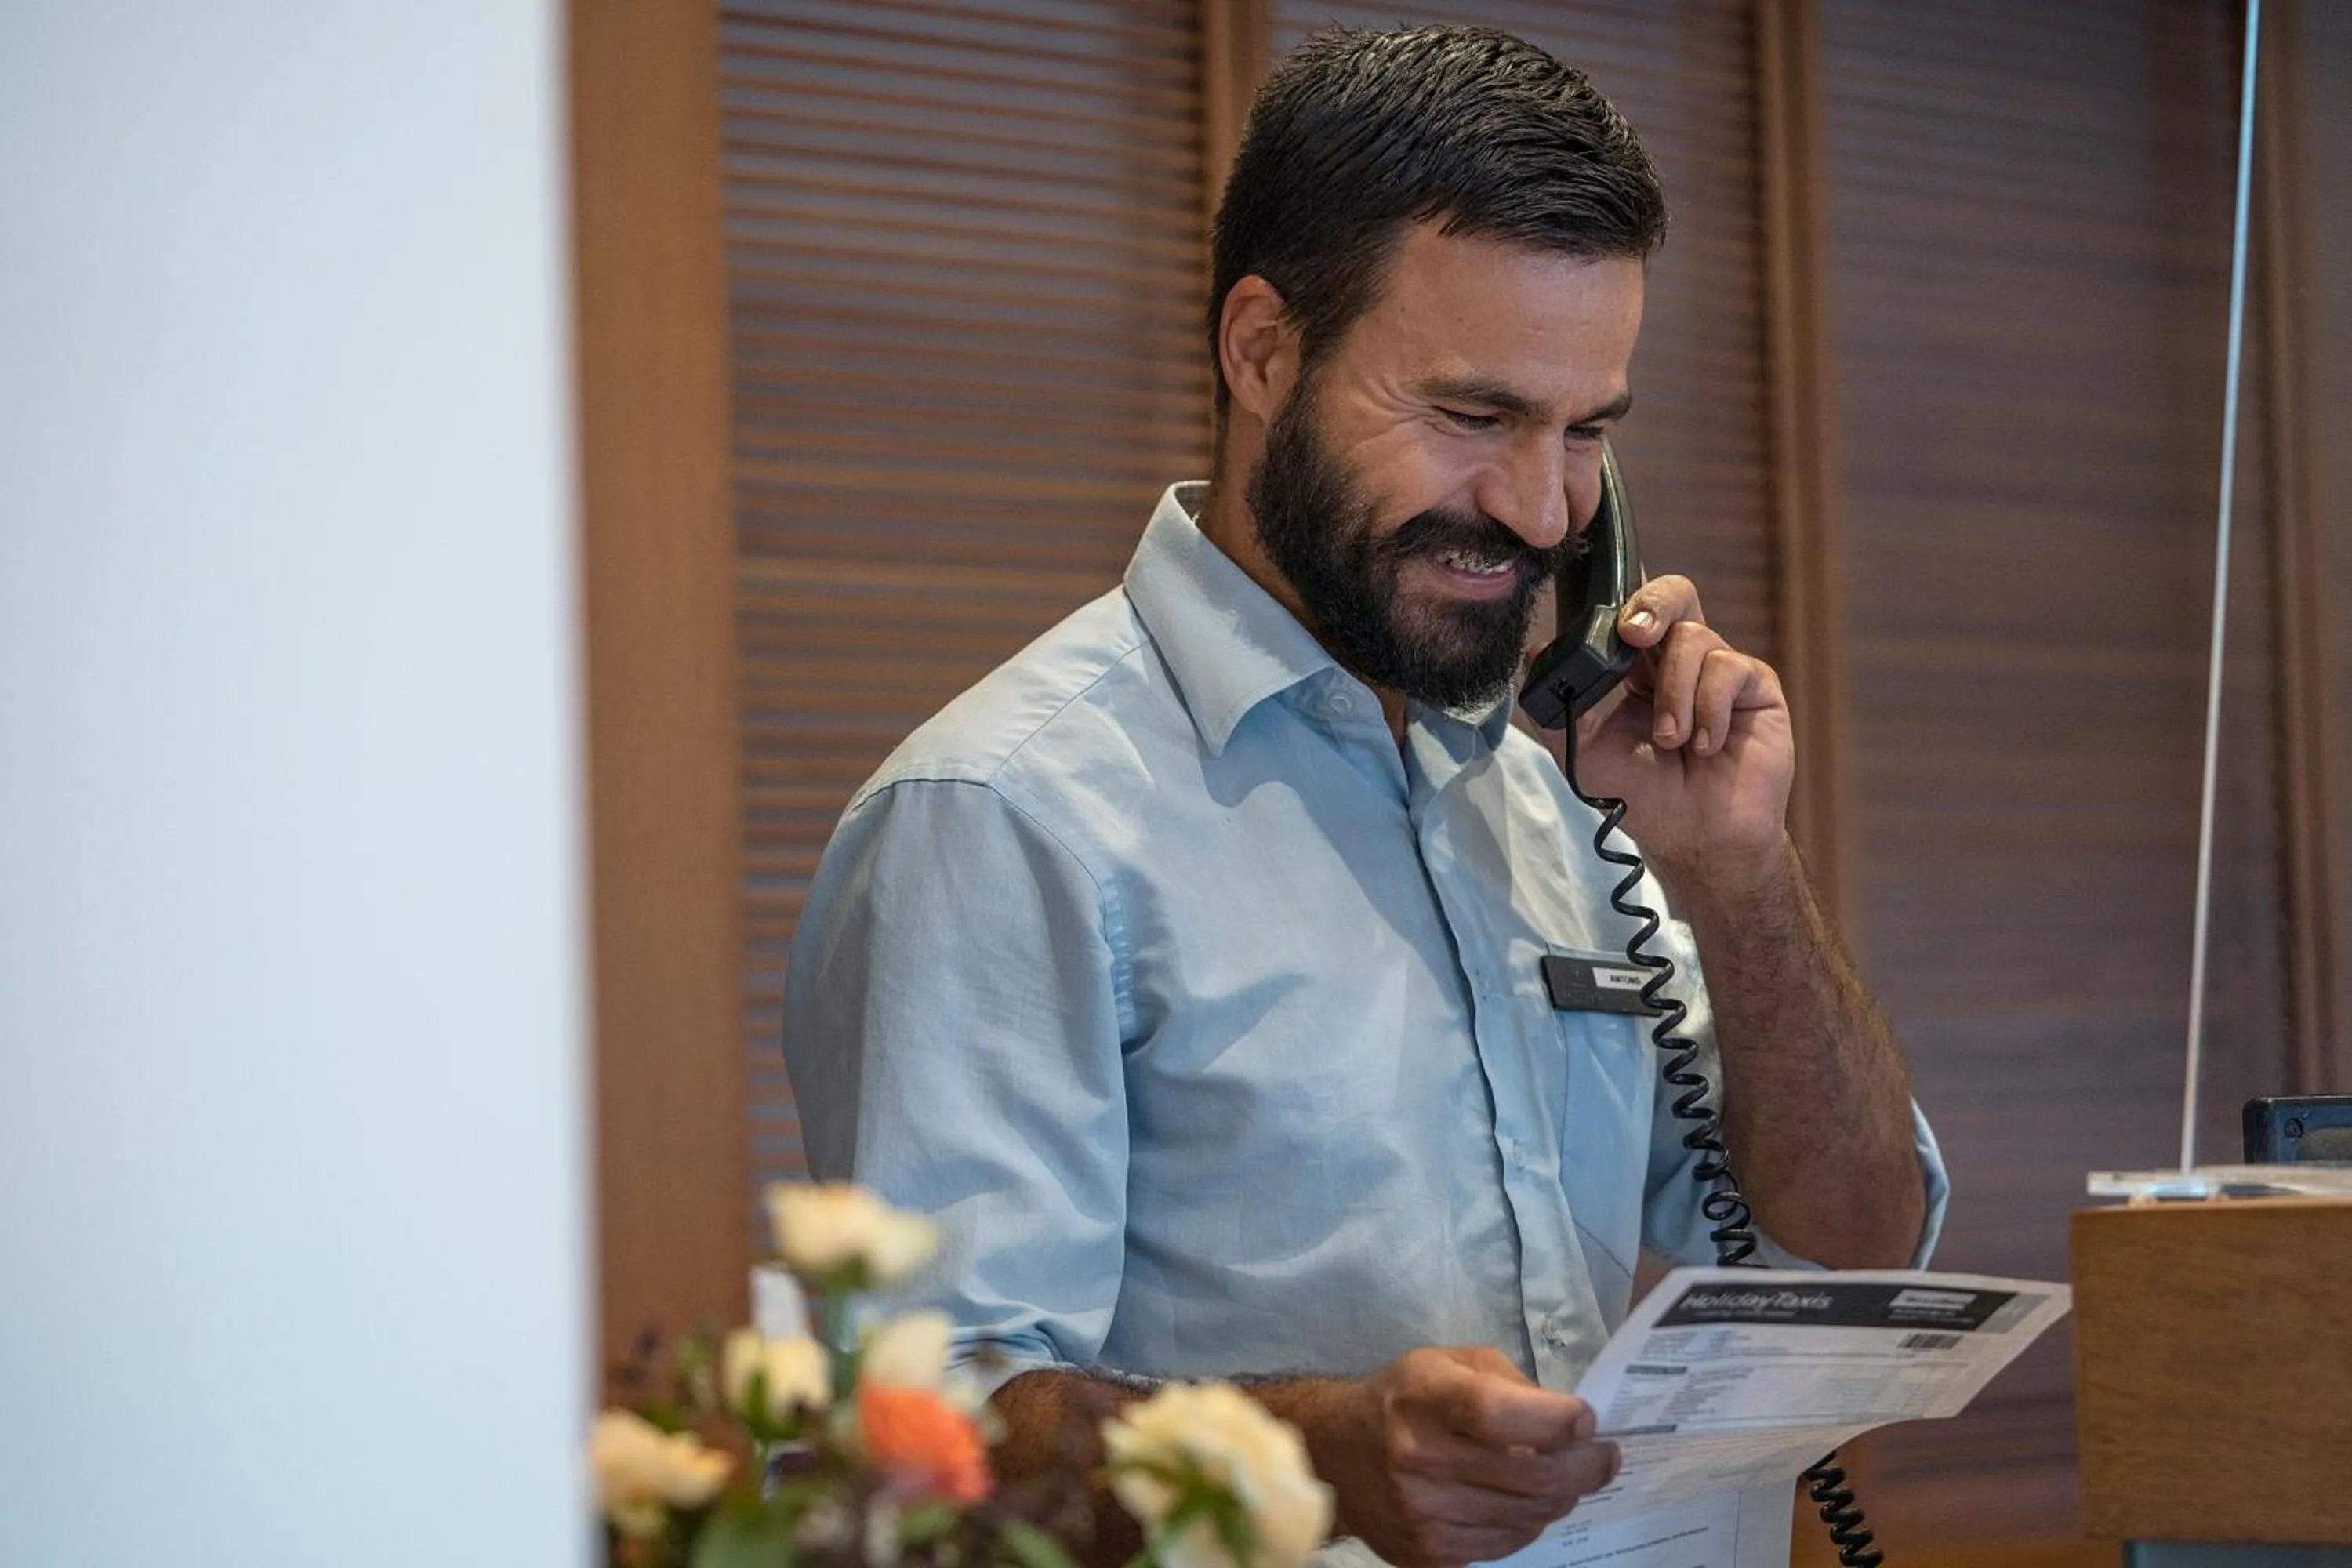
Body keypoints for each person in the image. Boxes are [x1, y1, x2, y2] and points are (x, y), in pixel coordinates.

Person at [784, 24, 1947, 1568]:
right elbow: (921, 1436)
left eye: (1586, 431)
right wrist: (1312, 1456)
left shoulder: (1565, 806)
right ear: (1263, 350)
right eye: (1474, 417)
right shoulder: (1003, 812)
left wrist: (1742, 875)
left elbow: (1849, 1253)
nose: (1541, 511)